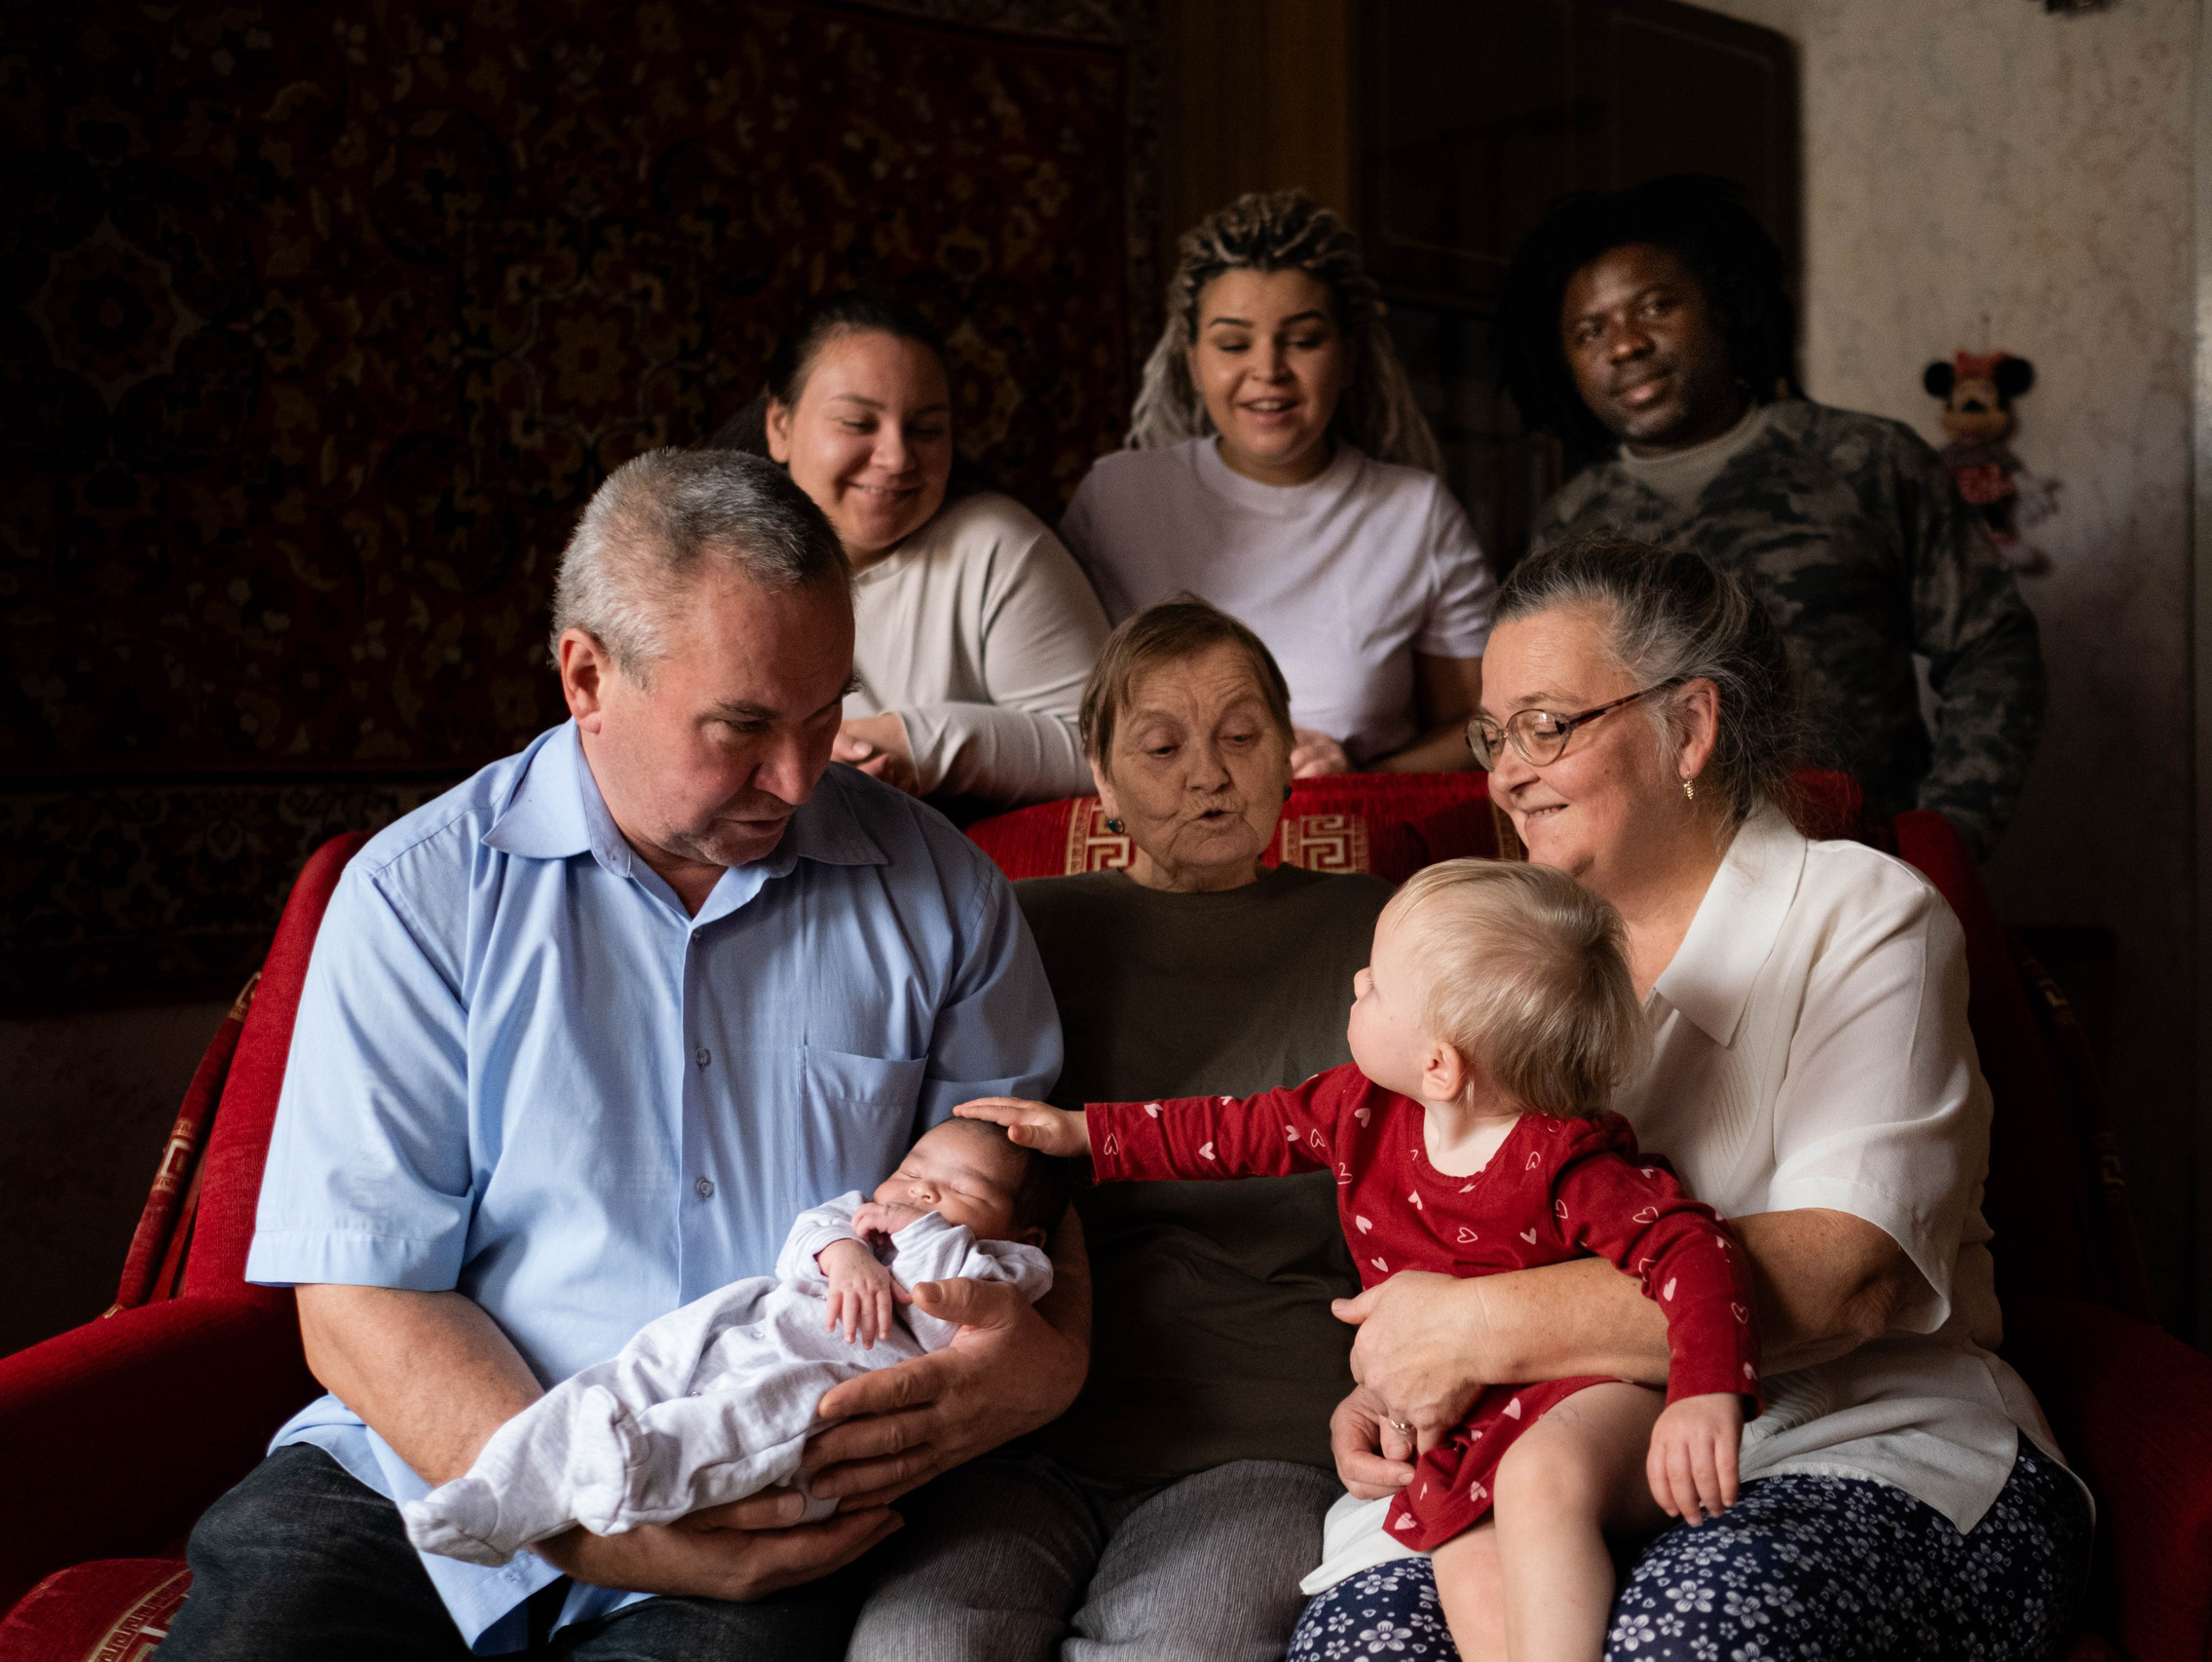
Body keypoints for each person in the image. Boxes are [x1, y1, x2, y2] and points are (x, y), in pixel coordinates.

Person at [158, 449, 1083, 1661]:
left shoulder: (943, 896)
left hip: (768, 1484)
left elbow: (1023, 1199)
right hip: (428, 1469)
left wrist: (1041, 1368)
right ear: (587, 676)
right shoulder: (415, 896)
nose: (798, 776)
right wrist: (592, 1523)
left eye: (823, 714)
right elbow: (358, 1294)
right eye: (744, 727)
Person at [1292, 535, 2089, 1661]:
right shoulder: (1488, 951)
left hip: (1838, 1437)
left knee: (1696, 1626)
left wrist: (1463, 1327)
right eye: (1491, 735)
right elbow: (1449, 1231)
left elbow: (1845, 1275)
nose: (1506, 771)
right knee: (1362, 1645)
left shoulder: (1861, 916)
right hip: (1523, 1458)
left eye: (1545, 725)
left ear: (1691, 728)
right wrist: (1399, 1389)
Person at [959, 856, 1761, 1662]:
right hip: (1466, 1425)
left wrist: (1706, 1391)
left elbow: (1694, 1246)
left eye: (1376, 985)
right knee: (1465, 1554)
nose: (1356, 981)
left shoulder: (1564, 1161)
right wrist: (1087, 1134)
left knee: (1537, 1482)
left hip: (1591, 1399)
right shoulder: (1359, 1108)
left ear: (1440, 1065)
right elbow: (1232, 1131)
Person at [844, 598, 1395, 1659]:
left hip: (1261, 1430)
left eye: (1242, 735)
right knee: (914, 1644)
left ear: (1289, 751)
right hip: (1022, 1425)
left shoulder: (1378, 932)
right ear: (1099, 775)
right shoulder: (1022, 928)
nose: (1210, 773)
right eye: (1162, 746)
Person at [1497, 176, 2045, 858]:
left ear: (1723, 308)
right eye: (1590, 331)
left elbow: (1992, 650)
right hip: (1653, 887)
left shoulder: (1865, 460)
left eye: (1657, 306)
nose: (1626, 344)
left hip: (1865, 866)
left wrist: (1950, 832)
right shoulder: (1567, 528)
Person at [404, 1117, 1068, 1568]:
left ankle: (636, 1474)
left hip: (831, 1397)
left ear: (1024, 1234)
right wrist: (845, 1254)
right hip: (737, 1335)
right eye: (913, 1169)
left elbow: (946, 1316)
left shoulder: (1012, 1269)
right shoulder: (858, 1217)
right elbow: (806, 1236)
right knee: (612, 1383)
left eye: (962, 1190)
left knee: (742, 1422)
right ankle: (495, 1496)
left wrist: (916, 1231)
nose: (922, 1190)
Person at [1061, 191, 1496, 778]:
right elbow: (1057, 709)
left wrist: (1359, 778)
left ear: (1348, 358)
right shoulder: (1117, 497)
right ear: (1192, 362)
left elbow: (1479, 725)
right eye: (1233, 344)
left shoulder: (1416, 513)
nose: (1268, 371)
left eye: (1303, 340)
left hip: (1351, 823)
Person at [724, 288, 1109, 807]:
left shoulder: (995, 549)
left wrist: (911, 741)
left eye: (926, 430)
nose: (897, 457)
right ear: (780, 425)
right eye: (858, 424)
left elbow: (1109, 746)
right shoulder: (707, 564)